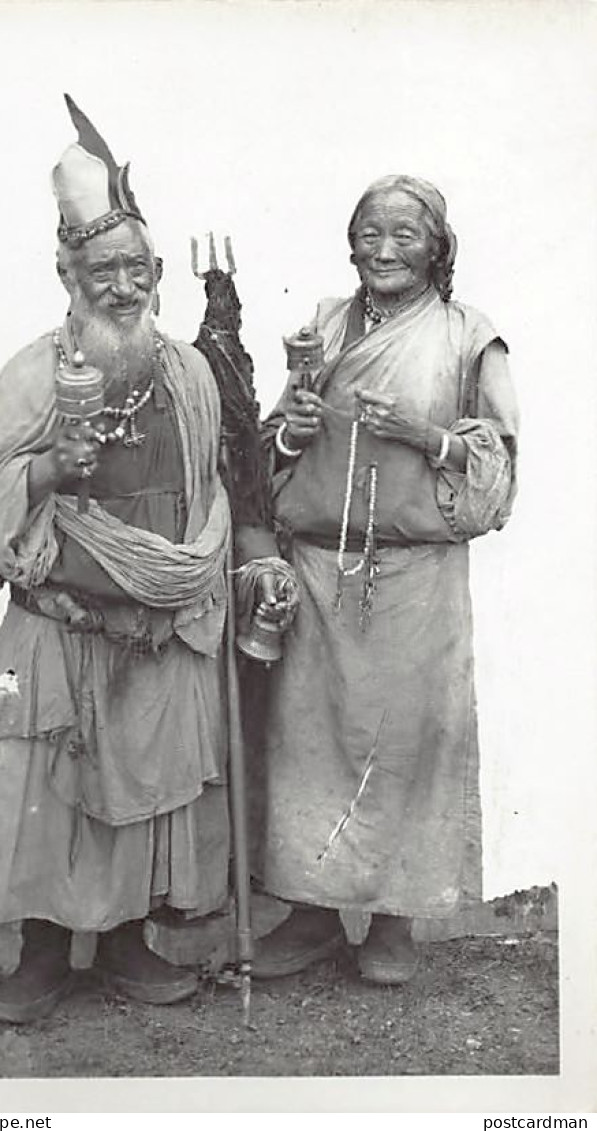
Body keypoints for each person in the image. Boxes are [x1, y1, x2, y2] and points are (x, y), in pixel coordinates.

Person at [0, 96, 291, 1024]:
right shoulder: (33, 371)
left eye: (137, 268)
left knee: (148, 789)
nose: (123, 285)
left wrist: (239, 566)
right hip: (59, 625)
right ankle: (39, 955)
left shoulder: (190, 373)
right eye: (102, 269)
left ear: (158, 275)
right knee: (42, 787)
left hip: (161, 626)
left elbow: (226, 486)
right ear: (67, 273)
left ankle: (130, 943)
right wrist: (45, 470)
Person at [253, 174, 519, 985]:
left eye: (404, 234)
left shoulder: (469, 337)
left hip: (416, 577)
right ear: (350, 244)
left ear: (436, 248)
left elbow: (497, 470)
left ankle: (395, 921)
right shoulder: (324, 326)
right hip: (319, 570)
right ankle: (310, 912)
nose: (384, 249)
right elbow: (269, 447)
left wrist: (421, 434)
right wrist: (292, 433)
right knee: (309, 742)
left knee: (405, 744)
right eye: (369, 232)